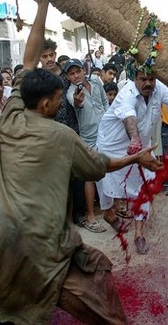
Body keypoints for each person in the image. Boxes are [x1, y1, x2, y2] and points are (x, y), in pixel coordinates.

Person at [0, 0, 161, 325]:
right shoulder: (62, 136)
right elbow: (101, 165)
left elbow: (28, 58)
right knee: (93, 281)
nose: (60, 99)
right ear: (47, 102)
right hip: (43, 245)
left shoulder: (11, 116)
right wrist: (135, 158)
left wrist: (42, 6)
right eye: (57, 96)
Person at [96, 69, 168, 255]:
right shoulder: (127, 93)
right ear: (134, 79)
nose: (148, 83)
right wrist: (135, 139)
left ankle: (139, 234)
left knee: (146, 186)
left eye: (151, 79)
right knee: (106, 187)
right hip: (112, 147)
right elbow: (129, 118)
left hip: (142, 148)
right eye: (143, 79)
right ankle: (108, 213)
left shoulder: (158, 88)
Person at [65, 58, 108, 233]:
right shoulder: (71, 93)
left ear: (83, 70)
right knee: (90, 176)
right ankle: (90, 216)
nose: (75, 76)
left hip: (105, 132)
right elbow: (77, 103)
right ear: (67, 77)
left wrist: (108, 120)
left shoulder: (96, 82)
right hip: (89, 137)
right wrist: (78, 100)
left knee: (111, 169)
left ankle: (114, 207)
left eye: (78, 71)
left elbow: (105, 102)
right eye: (71, 73)